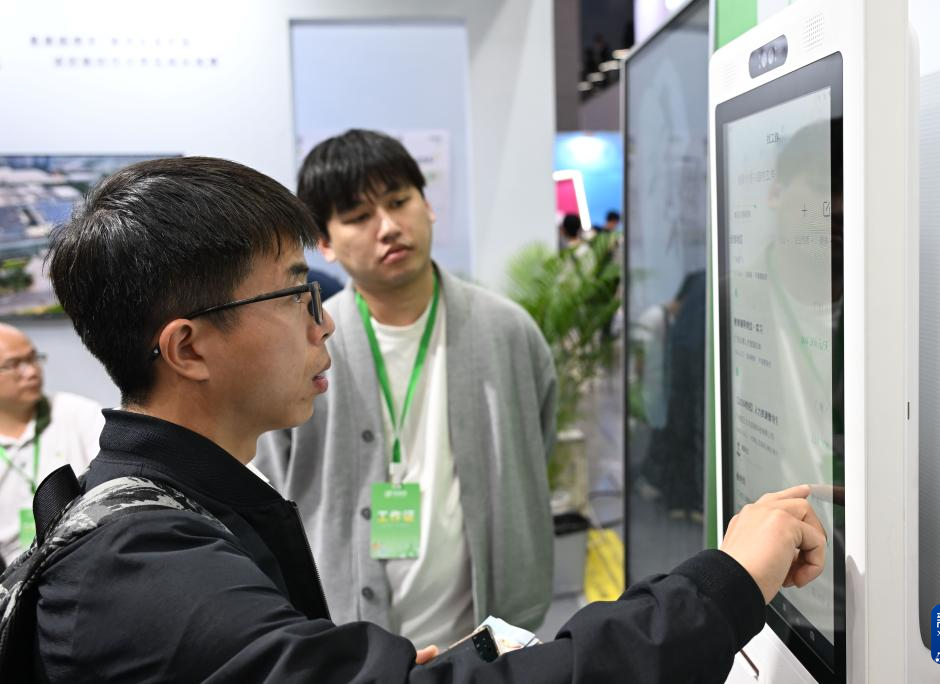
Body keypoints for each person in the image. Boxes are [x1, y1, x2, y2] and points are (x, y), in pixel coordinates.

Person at [32, 155, 826, 682]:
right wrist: (723, 584)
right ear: (188, 348)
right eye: (294, 294)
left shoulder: (182, 513)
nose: (322, 322)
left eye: (400, 200)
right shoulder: (145, 568)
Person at [254, 129, 556, 648]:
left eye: (399, 202)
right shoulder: (303, 347)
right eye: (358, 216)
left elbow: (535, 446)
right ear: (325, 242)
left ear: (427, 205)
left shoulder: (507, 330)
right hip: (351, 643)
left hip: (493, 639)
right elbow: (277, 486)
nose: (389, 227)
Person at [0, 323, 103, 567]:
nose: (31, 372)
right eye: (14, 364)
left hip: (80, 554)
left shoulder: (81, 414)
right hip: (10, 573)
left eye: (33, 358)